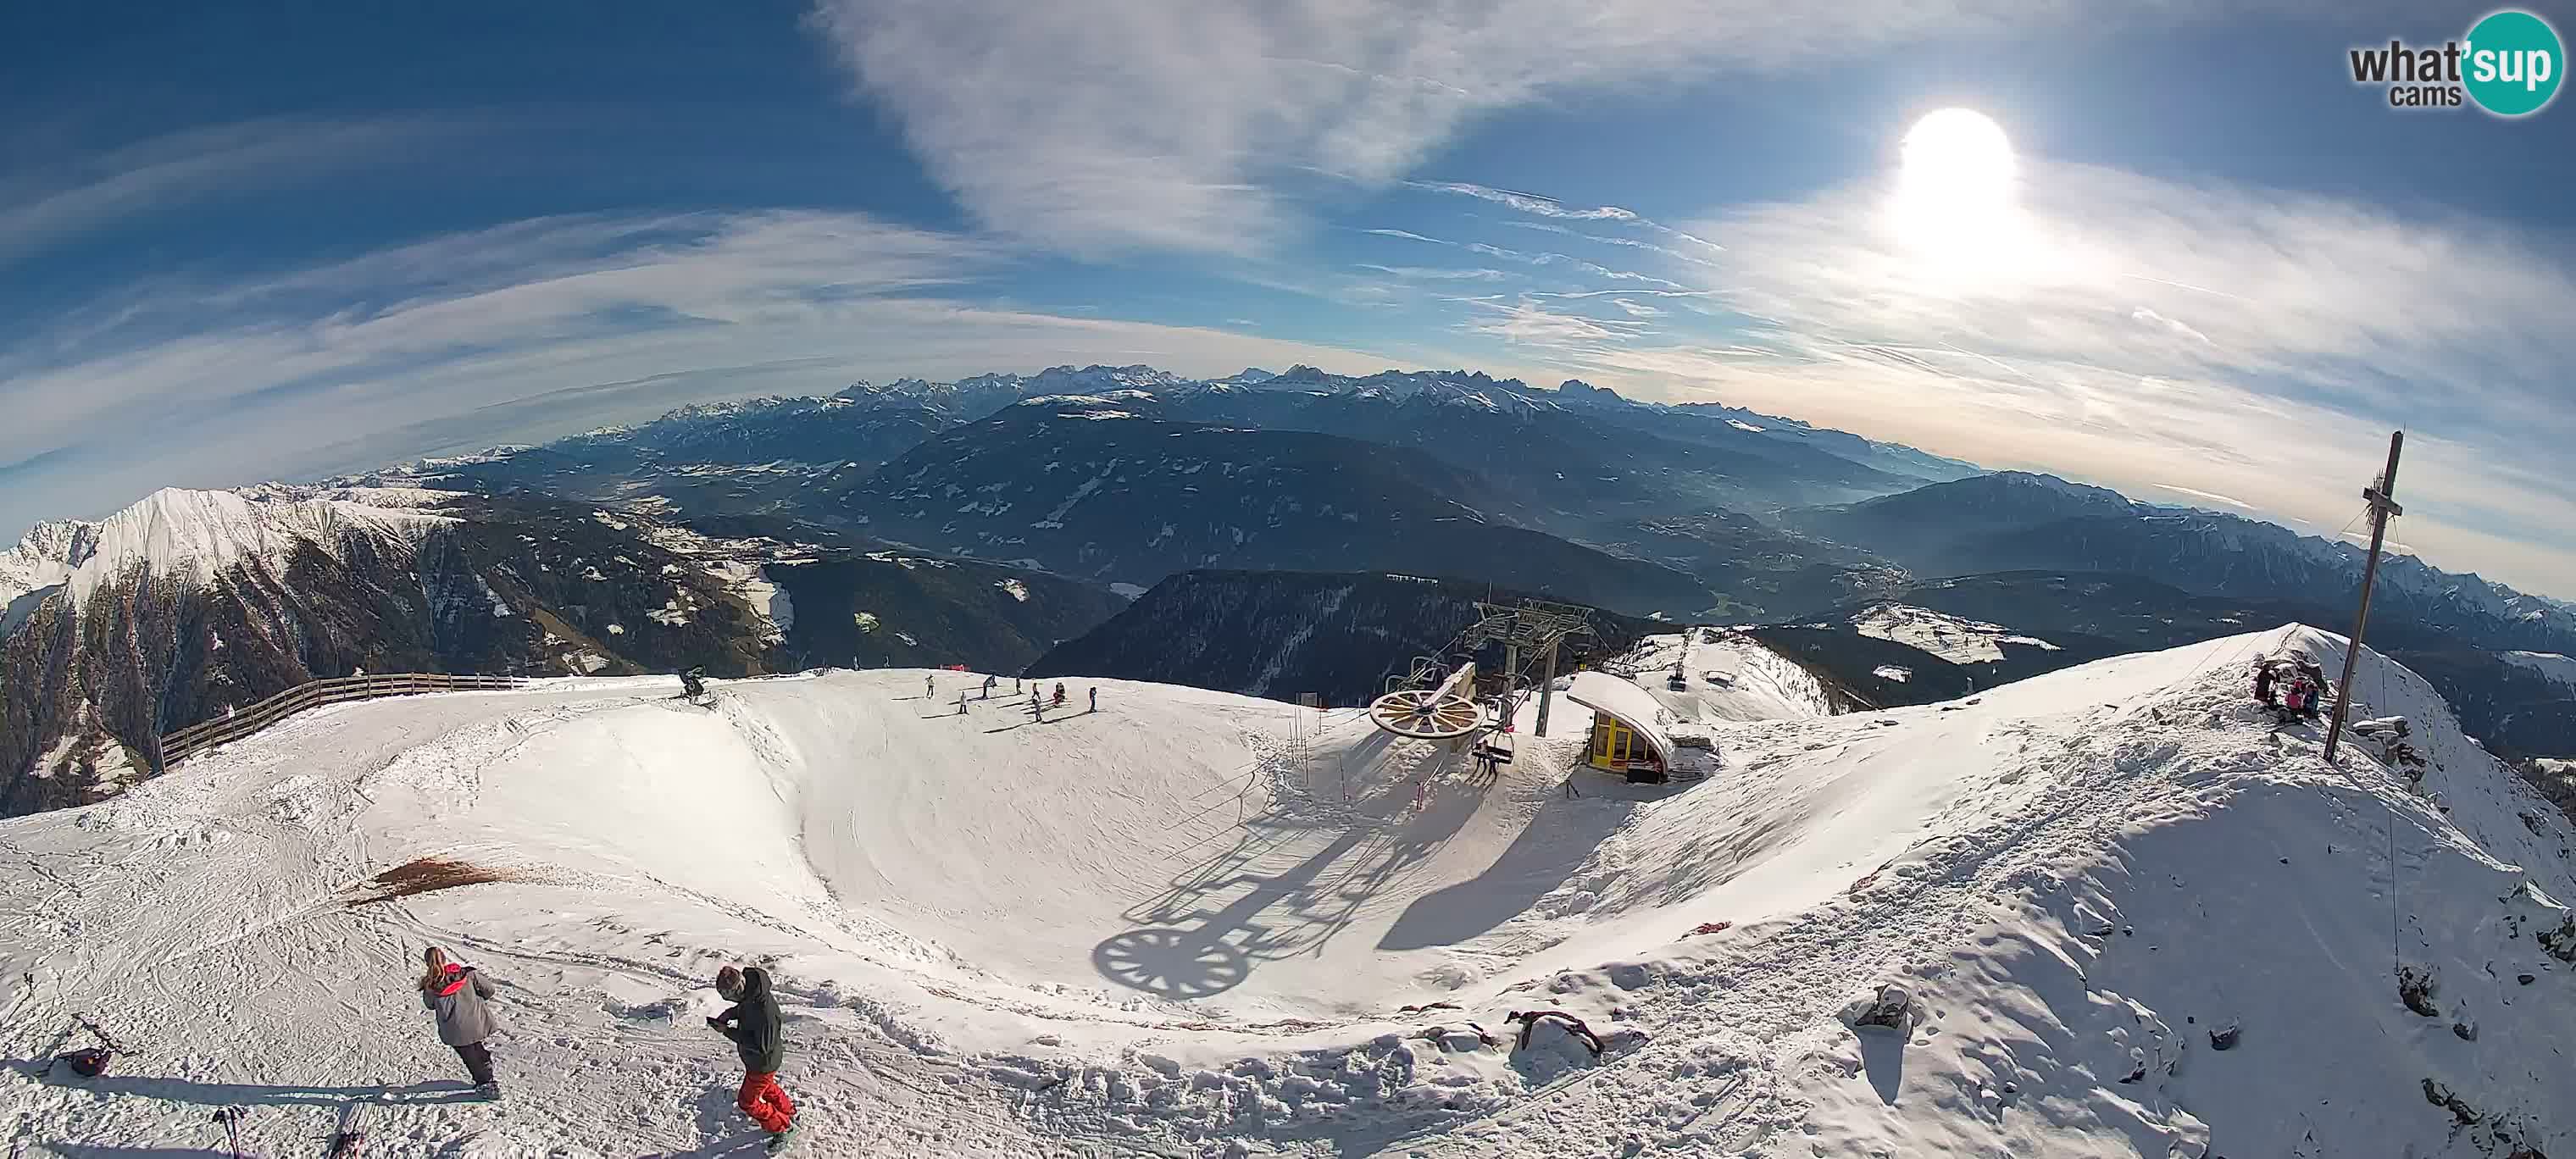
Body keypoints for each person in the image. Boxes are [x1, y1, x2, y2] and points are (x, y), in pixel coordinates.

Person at [709, 965, 798, 1150]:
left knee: (747, 1101)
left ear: (739, 988)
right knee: (767, 1088)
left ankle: (783, 1128)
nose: (730, 1000)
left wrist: (727, 1031)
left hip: (762, 1062)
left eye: (729, 997)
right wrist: (727, 1015)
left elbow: (760, 1046)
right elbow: (742, 1008)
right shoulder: (752, 994)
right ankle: (788, 1112)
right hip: (761, 1062)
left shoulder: (764, 1012)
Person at [418, 947, 501, 1098]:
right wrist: (478, 998)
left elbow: (429, 1005)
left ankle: (487, 1085)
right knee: (475, 1045)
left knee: (469, 1055)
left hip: (454, 1029)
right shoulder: (467, 975)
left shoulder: (430, 985)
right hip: (476, 1021)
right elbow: (489, 989)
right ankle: (486, 1066)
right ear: (444, 958)